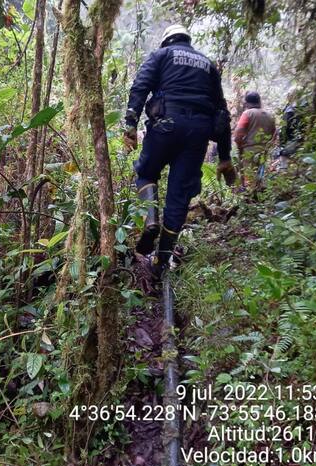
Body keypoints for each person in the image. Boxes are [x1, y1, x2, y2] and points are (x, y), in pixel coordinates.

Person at [123, 24, 235, 278]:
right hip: (198, 135)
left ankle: (151, 220)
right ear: (187, 40)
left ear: (166, 40)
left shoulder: (161, 55)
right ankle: (161, 260)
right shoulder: (208, 65)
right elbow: (221, 112)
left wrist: (130, 125)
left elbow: (140, 87)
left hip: (166, 126)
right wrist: (225, 156)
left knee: (146, 173)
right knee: (179, 196)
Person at [234, 91, 276, 190]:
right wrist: (268, 146)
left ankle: (250, 195)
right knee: (261, 177)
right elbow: (274, 134)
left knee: (249, 178)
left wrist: (240, 145)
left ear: (246, 103)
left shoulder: (247, 113)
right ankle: (260, 194)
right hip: (264, 150)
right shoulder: (270, 116)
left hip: (249, 151)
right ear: (259, 101)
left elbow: (238, 133)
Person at [277, 87, 305, 170]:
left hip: (291, 142)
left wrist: (281, 144)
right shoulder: (306, 108)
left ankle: (284, 170)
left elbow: (284, 129)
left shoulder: (290, 111)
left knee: (284, 165)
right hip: (303, 141)